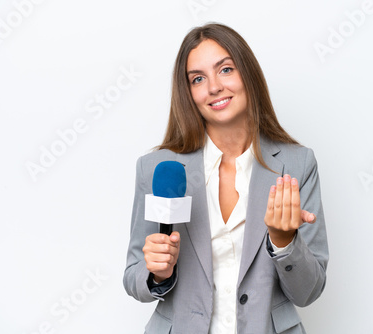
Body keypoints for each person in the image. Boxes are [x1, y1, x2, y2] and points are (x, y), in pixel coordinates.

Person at [123, 23, 328, 334]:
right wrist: (157, 273)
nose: (214, 87)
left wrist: (284, 242)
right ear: (188, 93)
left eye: (226, 69)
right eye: (198, 79)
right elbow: (133, 275)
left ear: (248, 74)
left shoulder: (297, 164)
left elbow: (308, 291)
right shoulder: (158, 168)